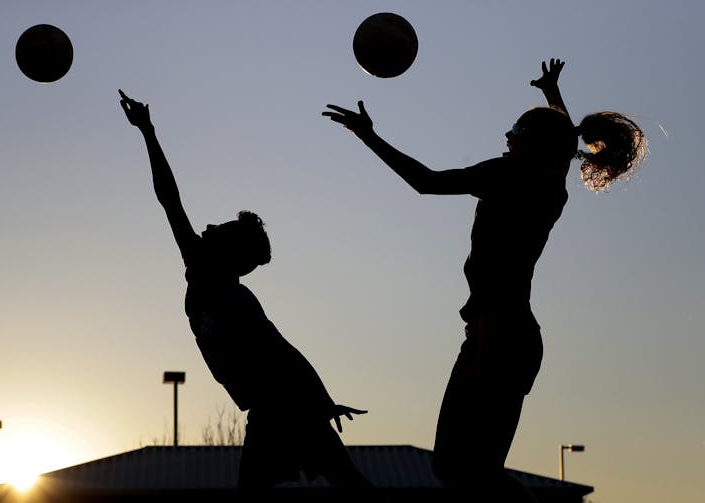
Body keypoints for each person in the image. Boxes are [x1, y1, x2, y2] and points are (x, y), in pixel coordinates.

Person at [322, 59, 646, 500]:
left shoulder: (506, 175)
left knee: (462, 470)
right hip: (511, 337)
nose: (507, 136)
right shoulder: (552, 184)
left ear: (530, 145)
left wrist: (369, 137)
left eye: (515, 131)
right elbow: (562, 141)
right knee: (468, 469)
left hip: (495, 335)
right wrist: (552, 95)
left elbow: (425, 181)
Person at [118, 89, 372, 489]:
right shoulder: (206, 272)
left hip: (283, 408)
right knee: (341, 483)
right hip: (274, 409)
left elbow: (284, 352)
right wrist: (147, 132)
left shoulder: (230, 294)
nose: (210, 226)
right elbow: (170, 199)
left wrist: (319, 403)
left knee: (341, 484)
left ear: (228, 251)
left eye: (221, 228)